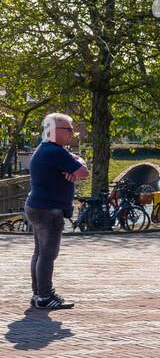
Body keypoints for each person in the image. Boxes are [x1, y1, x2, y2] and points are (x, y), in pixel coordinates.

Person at [24, 113, 89, 310]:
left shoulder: (46, 149)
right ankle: (45, 297)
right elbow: (84, 172)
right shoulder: (55, 152)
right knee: (47, 255)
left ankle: (38, 295)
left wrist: (77, 162)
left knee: (39, 253)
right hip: (48, 210)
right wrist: (77, 165)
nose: (72, 133)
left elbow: (80, 166)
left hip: (36, 207)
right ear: (54, 131)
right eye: (69, 129)